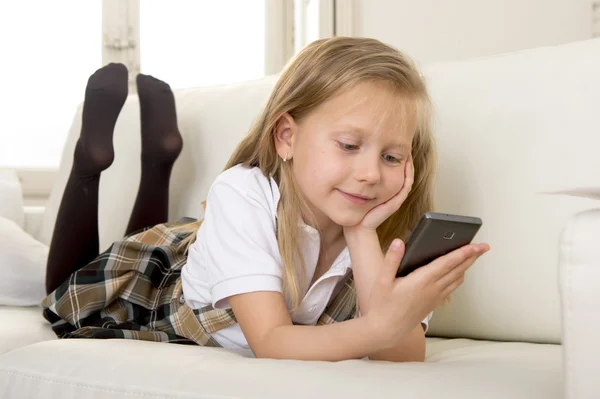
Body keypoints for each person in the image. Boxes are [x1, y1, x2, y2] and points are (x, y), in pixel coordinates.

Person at [42, 37, 490, 362]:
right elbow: (272, 342)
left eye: (392, 157)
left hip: (224, 246)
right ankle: (95, 163)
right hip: (158, 282)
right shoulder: (241, 192)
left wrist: (361, 231)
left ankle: (159, 159)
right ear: (287, 137)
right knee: (61, 290)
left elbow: (403, 358)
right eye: (349, 146)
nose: (371, 174)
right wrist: (377, 327)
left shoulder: (384, 234)